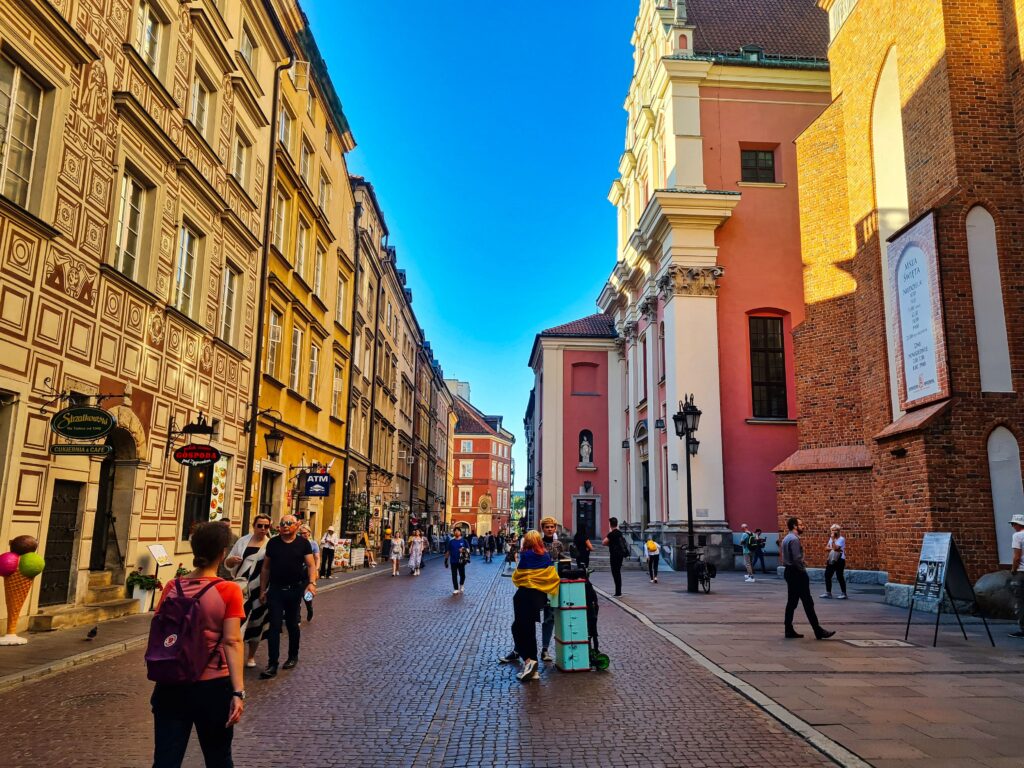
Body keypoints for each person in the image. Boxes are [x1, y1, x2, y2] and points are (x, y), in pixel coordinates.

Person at [150, 522, 245, 768]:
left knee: (166, 760)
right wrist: (238, 691)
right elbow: (232, 641)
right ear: (223, 553)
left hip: (171, 681)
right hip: (213, 684)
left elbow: (159, 629)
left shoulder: (173, 586)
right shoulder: (229, 590)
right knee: (218, 758)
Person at [258, 515, 316, 678]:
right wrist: (263, 589)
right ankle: (272, 663)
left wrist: (312, 583)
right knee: (274, 627)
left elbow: (311, 565)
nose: (284, 526)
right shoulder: (273, 543)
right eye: (282, 523)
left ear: (297, 525)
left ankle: (292, 656)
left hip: (294, 590)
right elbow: (266, 568)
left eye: (288, 523)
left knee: (292, 624)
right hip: (275, 590)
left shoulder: (303, 543)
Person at [508, 530, 560, 682]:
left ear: (528, 542)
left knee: (519, 629)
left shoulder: (526, 555)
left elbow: (519, 575)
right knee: (529, 630)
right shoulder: (545, 556)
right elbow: (552, 575)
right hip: (539, 597)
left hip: (524, 596)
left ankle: (529, 661)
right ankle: (532, 665)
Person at [225, 514, 272, 668]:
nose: (263, 529)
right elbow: (228, 562)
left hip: (260, 588)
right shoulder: (243, 541)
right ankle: (236, 654)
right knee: (237, 622)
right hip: (241, 587)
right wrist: (231, 561)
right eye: (260, 526)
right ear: (254, 526)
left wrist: (266, 590)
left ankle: (251, 656)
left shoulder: (270, 544)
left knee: (256, 623)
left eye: (266, 526)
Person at [781, 517, 835, 640]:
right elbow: (796, 559)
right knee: (807, 602)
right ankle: (818, 630)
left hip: (789, 572)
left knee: (792, 602)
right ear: (795, 526)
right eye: (801, 524)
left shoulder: (786, 538)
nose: (803, 526)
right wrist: (802, 568)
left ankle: (788, 629)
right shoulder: (794, 539)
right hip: (797, 574)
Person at [821, 523, 848, 600]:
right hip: (832, 558)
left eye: (836, 530)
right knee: (827, 575)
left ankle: (844, 593)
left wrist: (833, 541)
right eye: (832, 530)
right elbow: (826, 548)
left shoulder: (841, 539)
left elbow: (836, 548)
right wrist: (832, 546)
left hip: (840, 559)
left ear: (839, 531)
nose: (834, 532)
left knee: (839, 576)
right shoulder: (831, 538)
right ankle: (828, 592)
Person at [298, 525, 319, 621]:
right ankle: (297, 617)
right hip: (297, 571)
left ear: (309, 533)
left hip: (308, 571)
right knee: (296, 595)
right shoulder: (297, 543)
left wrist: (316, 570)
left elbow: (317, 558)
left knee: (307, 594)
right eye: (301, 533)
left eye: (305, 533)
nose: (303, 535)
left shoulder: (313, 544)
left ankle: (309, 608)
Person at [1008, 514, 1024, 639]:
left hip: (1022, 572)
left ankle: (1023, 628)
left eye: (1013, 524)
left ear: (1018, 524)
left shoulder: (1017, 536)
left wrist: (1013, 569)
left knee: (1020, 601)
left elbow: (1017, 556)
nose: (1012, 526)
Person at [603, 517, 627, 597]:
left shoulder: (611, 534)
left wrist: (610, 544)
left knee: (615, 573)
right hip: (620, 555)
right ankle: (618, 591)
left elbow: (604, 542)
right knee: (618, 572)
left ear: (610, 524)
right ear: (616, 523)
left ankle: (618, 592)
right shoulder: (619, 533)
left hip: (614, 555)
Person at [445, 528, 469, 594]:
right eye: (455, 531)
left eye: (458, 531)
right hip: (453, 561)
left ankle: (461, 584)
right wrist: (446, 560)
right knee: (454, 575)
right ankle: (456, 589)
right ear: (453, 533)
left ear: (460, 532)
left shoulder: (464, 541)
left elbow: (469, 550)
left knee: (462, 575)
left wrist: (463, 549)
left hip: (461, 561)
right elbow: (448, 551)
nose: (456, 532)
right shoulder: (451, 541)